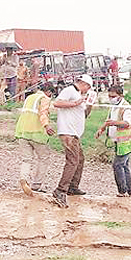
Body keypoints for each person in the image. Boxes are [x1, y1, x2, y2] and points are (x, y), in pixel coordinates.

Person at [51, 74, 94, 207]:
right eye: (88, 87)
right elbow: (57, 103)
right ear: (85, 84)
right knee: (73, 161)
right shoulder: (70, 91)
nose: (87, 90)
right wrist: (75, 103)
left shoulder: (79, 96)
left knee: (80, 159)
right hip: (68, 132)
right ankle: (60, 190)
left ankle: (72, 186)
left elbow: (84, 115)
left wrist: (89, 104)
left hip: (74, 133)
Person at [14, 83, 57, 198]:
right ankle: (36, 185)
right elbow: (43, 113)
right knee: (43, 158)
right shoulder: (44, 99)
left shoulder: (29, 97)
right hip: (37, 133)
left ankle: (24, 178)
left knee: (26, 159)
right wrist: (47, 126)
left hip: (22, 131)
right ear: (48, 92)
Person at [95, 85, 131, 197]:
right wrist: (102, 129)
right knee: (125, 166)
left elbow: (126, 123)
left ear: (121, 96)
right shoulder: (114, 106)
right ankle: (129, 190)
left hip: (126, 142)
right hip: (120, 141)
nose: (110, 98)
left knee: (117, 165)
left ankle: (122, 191)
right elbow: (108, 120)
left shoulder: (126, 107)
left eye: (113, 96)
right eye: (109, 96)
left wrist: (114, 123)